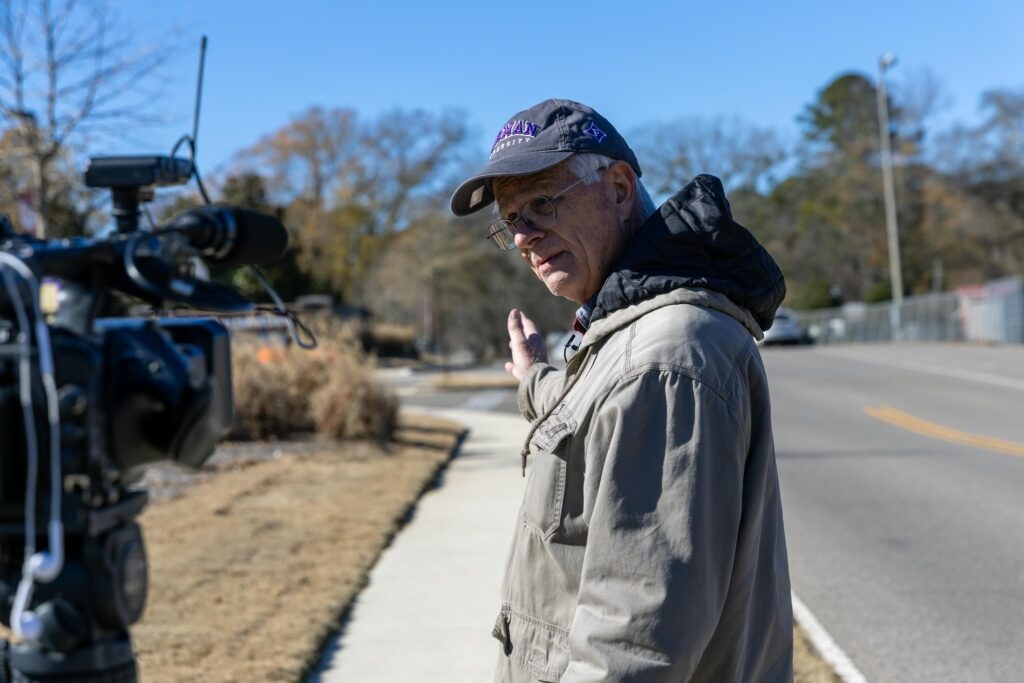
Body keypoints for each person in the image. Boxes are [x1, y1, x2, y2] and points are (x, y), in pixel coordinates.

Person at [450, 99, 793, 682]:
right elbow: (599, 419)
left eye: (541, 203)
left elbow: (634, 639)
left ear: (617, 187)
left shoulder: (666, 358)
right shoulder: (630, 337)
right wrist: (535, 378)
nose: (526, 236)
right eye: (513, 222)